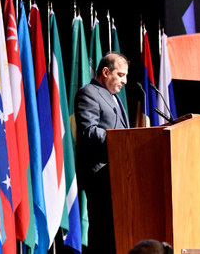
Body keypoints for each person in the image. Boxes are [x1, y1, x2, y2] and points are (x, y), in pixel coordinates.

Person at [75, 52, 130, 253]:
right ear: (106, 72)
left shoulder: (114, 98)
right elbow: (89, 131)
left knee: (118, 233)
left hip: (120, 175)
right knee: (103, 233)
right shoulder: (88, 93)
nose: (125, 81)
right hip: (101, 177)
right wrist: (122, 139)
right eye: (121, 75)